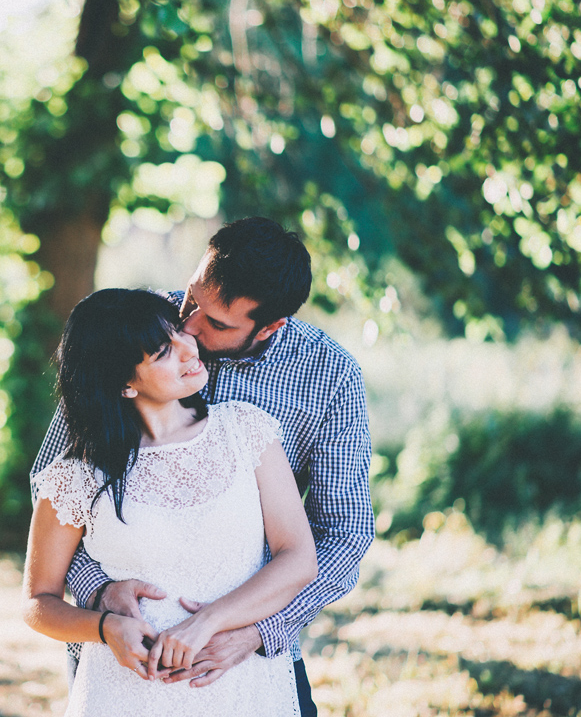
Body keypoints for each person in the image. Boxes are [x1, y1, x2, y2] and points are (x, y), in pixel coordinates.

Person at [30, 217, 374, 716]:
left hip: (246, 650)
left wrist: (257, 633)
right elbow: (60, 489)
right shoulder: (133, 326)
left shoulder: (328, 377)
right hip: (125, 658)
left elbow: (342, 532)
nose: (188, 327)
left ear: (270, 327)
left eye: (216, 323)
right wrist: (100, 594)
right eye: (191, 299)